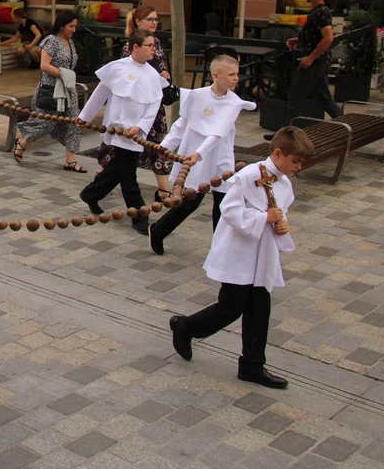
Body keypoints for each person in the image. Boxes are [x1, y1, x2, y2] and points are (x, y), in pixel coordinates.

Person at [169, 127, 314, 389]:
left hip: (261, 256)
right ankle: (186, 327)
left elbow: (278, 211)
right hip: (240, 254)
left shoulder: (283, 182)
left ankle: (252, 365)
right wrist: (262, 219)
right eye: (295, 161)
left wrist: (281, 224)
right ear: (278, 153)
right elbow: (230, 210)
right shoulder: (248, 176)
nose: (299, 167)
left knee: (260, 309)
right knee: (231, 307)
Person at [148, 55, 257, 255]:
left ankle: (221, 248)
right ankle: (158, 230)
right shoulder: (196, 95)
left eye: (237, 74)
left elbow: (217, 132)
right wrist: (163, 148)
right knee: (191, 201)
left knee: (223, 203)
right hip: (194, 158)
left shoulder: (234, 103)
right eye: (231, 74)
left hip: (219, 157)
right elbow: (181, 125)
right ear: (216, 76)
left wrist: (200, 152)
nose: (236, 79)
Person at [77, 29, 167, 235]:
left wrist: (141, 128)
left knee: (121, 168)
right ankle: (139, 214)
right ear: (136, 47)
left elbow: (153, 106)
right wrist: (84, 117)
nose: (154, 49)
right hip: (116, 127)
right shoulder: (117, 68)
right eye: (150, 45)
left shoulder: (153, 76)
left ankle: (92, 193)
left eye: (154, 46)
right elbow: (100, 94)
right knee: (127, 172)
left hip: (134, 133)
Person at [100, 6, 173, 202]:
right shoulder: (131, 46)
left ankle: (163, 190)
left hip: (153, 103)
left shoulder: (156, 42)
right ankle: (101, 185)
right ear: (138, 22)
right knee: (123, 152)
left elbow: (163, 67)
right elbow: (127, 79)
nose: (154, 22)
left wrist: (164, 77)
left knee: (158, 146)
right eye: (149, 19)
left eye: (156, 19)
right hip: (134, 109)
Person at [267, 0, 341, 139]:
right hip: (319, 61)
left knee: (296, 96)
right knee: (323, 97)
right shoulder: (317, 11)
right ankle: (346, 125)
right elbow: (314, 34)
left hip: (314, 62)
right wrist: (298, 39)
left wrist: (311, 57)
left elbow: (328, 38)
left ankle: (284, 136)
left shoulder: (321, 12)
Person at [14, 10, 85, 172]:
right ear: (61, 26)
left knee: (74, 122)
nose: (74, 30)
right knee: (47, 122)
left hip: (68, 88)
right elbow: (44, 66)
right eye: (71, 26)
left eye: (75, 26)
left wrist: (68, 78)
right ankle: (23, 142)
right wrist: (64, 74)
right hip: (51, 88)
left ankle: (71, 160)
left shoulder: (70, 41)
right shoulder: (51, 41)